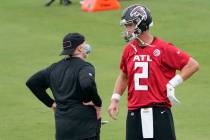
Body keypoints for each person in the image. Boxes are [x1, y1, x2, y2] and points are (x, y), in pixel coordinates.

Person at [108, 4, 199, 140]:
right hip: (134, 112)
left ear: (142, 24)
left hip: (158, 111)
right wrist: (115, 99)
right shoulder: (129, 49)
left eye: (130, 25)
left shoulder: (163, 48)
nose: (127, 29)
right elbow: (124, 75)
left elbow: (192, 65)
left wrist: (173, 83)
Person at [26, 32, 102, 140]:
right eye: (85, 44)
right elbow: (87, 84)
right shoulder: (85, 67)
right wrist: (97, 103)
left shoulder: (54, 68)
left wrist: (51, 103)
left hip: (63, 130)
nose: (87, 47)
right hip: (85, 129)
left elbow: (32, 83)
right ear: (80, 49)